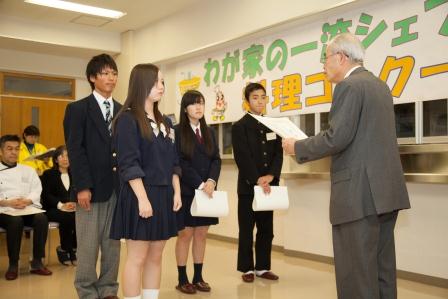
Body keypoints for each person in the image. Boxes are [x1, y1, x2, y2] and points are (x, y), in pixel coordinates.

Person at [282, 33, 411, 299]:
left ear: (340, 57)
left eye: (325, 59)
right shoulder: (379, 85)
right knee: (381, 269)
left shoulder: (349, 87)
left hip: (358, 196)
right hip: (385, 193)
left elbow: (337, 137)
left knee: (356, 272)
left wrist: (298, 147)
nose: (323, 66)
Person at [109, 63, 182, 299]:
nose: (161, 87)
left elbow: (173, 162)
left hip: (163, 195)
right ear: (142, 84)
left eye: (163, 82)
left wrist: (177, 192)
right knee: (137, 257)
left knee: (156, 255)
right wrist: (142, 199)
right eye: (157, 82)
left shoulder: (167, 123)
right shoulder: (128, 120)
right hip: (139, 193)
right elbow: (128, 163)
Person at [63, 53, 122, 299]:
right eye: (105, 73)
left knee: (112, 243)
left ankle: (108, 288)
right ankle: (86, 291)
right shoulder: (77, 109)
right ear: (92, 78)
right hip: (90, 188)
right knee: (87, 245)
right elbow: (76, 150)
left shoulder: (122, 110)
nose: (110, 78)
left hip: (117, 189)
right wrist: (82, 186)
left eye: (113, 73)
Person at [231, 82, 283, 283]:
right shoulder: (240, 126)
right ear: (247, 101)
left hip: (269, 188)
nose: (260, 101)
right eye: (255, 97)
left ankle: (262, 267)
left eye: (263, 97)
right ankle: (246, 268)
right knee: (246, 229)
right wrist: (257, 179)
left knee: (266, 229)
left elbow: (278, 154)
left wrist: (271, 175)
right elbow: (242, 157)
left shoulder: (273, 124)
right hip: (247, 187)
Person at [174, 90, 221, 294]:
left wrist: (211, 180)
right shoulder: (176, 131)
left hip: (208, 191)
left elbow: (216, 159)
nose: (199, 107)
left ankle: (198, 277)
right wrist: (201, 184)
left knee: (202, 233)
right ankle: (183, 278)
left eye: (201, 103)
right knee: (185, 234)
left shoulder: (209, 132)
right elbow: (179, 162)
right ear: (185, 109)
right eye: (194, 104)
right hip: (187, 191)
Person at [0, 134, 52, 280]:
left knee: (42, 219)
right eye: (9, 149)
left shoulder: (27, 170)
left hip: (25, 207)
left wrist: (28, 201)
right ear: (1, 151)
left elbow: (37, 189)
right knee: (15, 222)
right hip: (4, 210)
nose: (13, 152)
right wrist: (7, 202)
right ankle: (13, 264)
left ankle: (37, 262)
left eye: (17, 149)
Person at [41, 145, 77, 266]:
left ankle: (73, 248)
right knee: (67, 217)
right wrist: (61, 205)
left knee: (79, 216)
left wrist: (74, 203)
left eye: (68, 156)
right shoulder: (48, 174)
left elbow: (79, 192)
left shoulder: (75, 174)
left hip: (72, 208)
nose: (65, 159)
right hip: (53, 208)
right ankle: (67, 249)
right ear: (56, 159)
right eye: (62, 156)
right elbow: (46, 195)